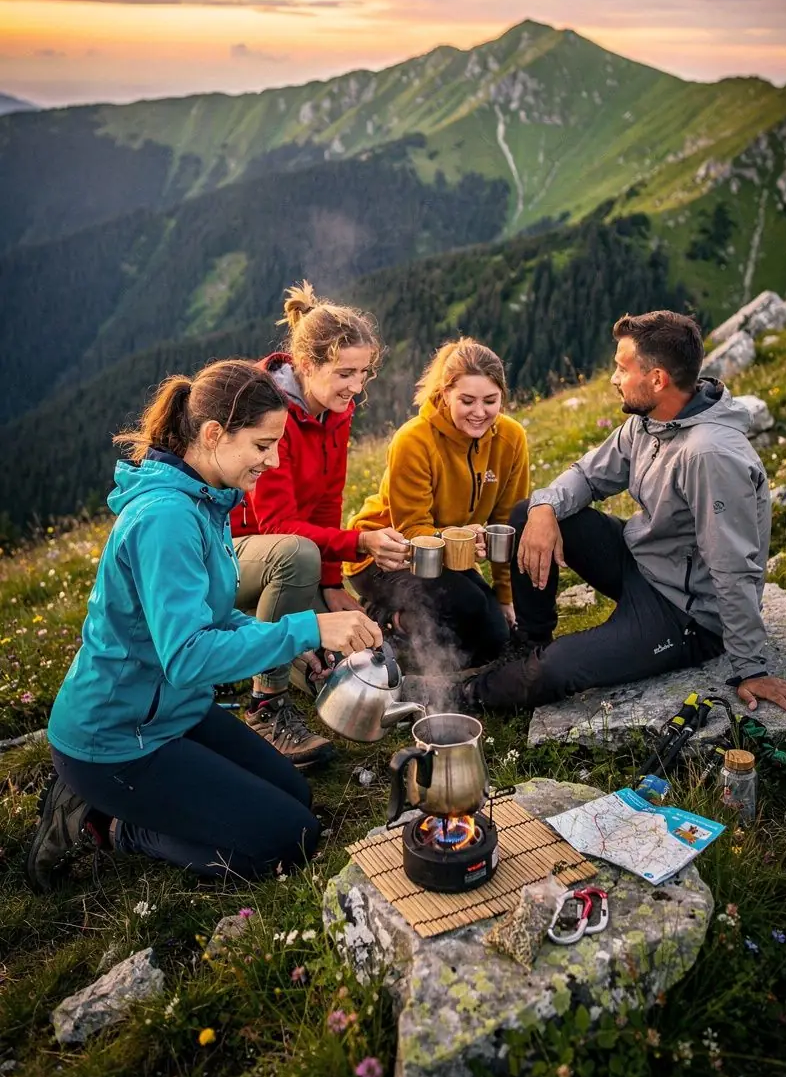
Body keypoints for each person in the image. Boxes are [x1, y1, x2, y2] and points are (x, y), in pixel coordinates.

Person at [26, 360, 382, 894]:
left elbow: (213, 618)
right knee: (290, 840)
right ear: (214, 434)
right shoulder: (166, 519)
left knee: (297, 795)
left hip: (173, 712)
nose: (273, 460)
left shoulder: (206, 499)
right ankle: (110, 823)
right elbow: (188, 656)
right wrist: (307, 630)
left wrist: (290, 643)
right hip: (117, 739)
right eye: (263, 445)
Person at [460, 311, 786, 717]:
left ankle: (459, 697)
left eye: (622, 369)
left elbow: (734, 567)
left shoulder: (710, 455)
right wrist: (544, 506)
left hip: (685, 613)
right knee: (529, 515)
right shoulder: (650, 420)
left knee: (556, 668)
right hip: (642, 564)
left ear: (657, 379)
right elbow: (587, 476)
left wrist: (751, 667)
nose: (613, 378)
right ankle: (528, 643)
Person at [229, 282, 408, 766]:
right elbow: (277, 527)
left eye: (363, 373)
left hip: (292, 556)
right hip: (235, 553)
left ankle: (282, 657)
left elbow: (328, 502)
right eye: (344, 373)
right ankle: (265, 705)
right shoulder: (268, 412)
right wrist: (360, 542)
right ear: (306, 365)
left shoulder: (335, 410)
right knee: (300, 577)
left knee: (339, 655)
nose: (356, 387)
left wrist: (331, 585)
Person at [347, 339, 530, 670]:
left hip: (449, 556)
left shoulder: (511, 438)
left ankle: (429, 626)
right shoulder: (413, 440)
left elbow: (507, 525)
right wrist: (461, 538)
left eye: (490, 401)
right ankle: (386, 619)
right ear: (445, 394)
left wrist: (505, 597)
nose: (479, 412)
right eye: (467, 401)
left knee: (494, 636)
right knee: (466, 606)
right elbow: (412, 530)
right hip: (387, 556)